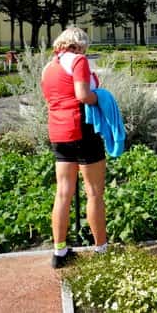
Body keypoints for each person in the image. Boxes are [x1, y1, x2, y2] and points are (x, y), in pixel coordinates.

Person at [41, 27, 107, 268]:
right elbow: (83, 95)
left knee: (63, 193)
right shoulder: (78, 61)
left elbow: (51, 99)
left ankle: (60, 252)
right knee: (94, 192)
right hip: (82, 130)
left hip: (58, 133)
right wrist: (103, 98)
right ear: (79, 45)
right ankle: (101, 250)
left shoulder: (48, 67)